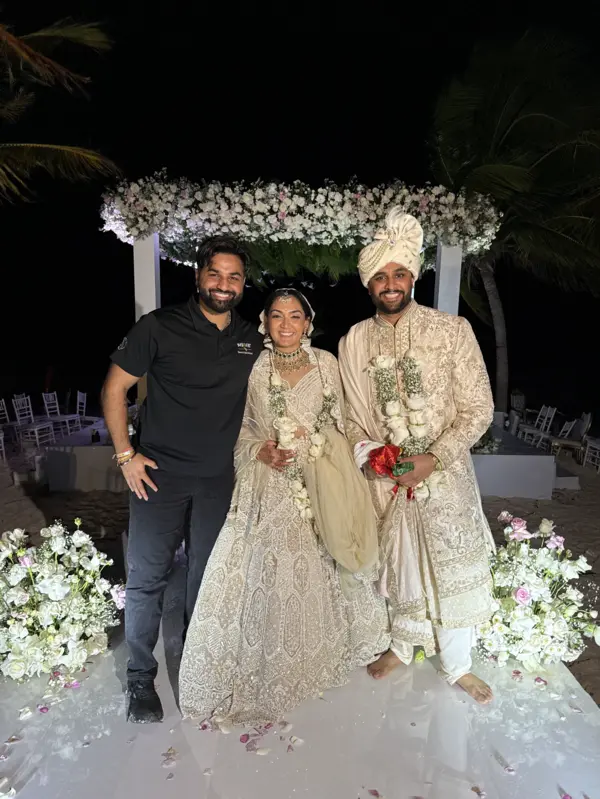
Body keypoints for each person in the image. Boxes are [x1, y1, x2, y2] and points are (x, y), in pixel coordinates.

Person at [179, 288, 390, 726]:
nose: (287, 324)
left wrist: (327, 449)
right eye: (277, 316)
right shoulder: (255, 368)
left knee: (328, 553)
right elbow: (240, 427)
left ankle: (327, 644)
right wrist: (261, 450)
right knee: (270, 564)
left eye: (295, 316)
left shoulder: (327, 363)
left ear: (308, 323)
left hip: (324, 479)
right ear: (265, 322)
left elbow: (346, 421)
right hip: (270, 480)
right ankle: (269, 655)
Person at [102, 235, 262, 723]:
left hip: (217, 479)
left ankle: (198, 666)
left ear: (243, 284)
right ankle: (140, 677)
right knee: (147, 579)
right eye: (215, 274)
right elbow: (114, 388)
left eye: (234, 277)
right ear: (198, 276)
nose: (224, 284)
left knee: (205, 578)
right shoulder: (159, 326)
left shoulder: (251, 338)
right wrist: (126, 455)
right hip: (158, 476)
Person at [338, 209, 496, 704]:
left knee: (449, 566)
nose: (390, 283)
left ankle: (458, 664)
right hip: (386, 479)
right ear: (369, 284)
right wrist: (376, 457)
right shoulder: (354, 341)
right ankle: (403, 646)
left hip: (445, 478)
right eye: (380, 276)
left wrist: (435, 457)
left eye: (399, 273)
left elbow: (479, 409)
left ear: (413, 276)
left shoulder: (452, 331)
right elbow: (350, 417)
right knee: (398, 566)